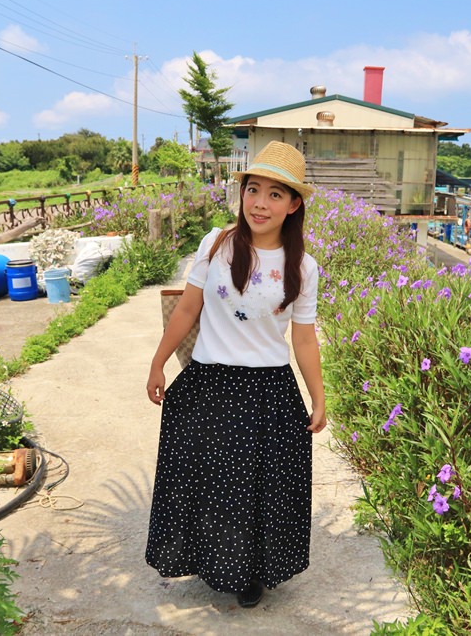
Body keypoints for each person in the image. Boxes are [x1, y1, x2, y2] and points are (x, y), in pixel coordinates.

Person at [145, 140, 327, 609]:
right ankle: (211, 562)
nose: (260, 203)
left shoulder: (303, 268)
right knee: (208, 482)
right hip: (209, 383)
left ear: (293, 204)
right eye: (253, 190)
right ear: (242, 192)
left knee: (256, 490)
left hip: (267, 390)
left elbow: (303, 339)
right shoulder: (217, 244)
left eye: (274, 194)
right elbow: (188, 309)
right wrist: (157, 360)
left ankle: (251, 574)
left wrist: (318, 397)